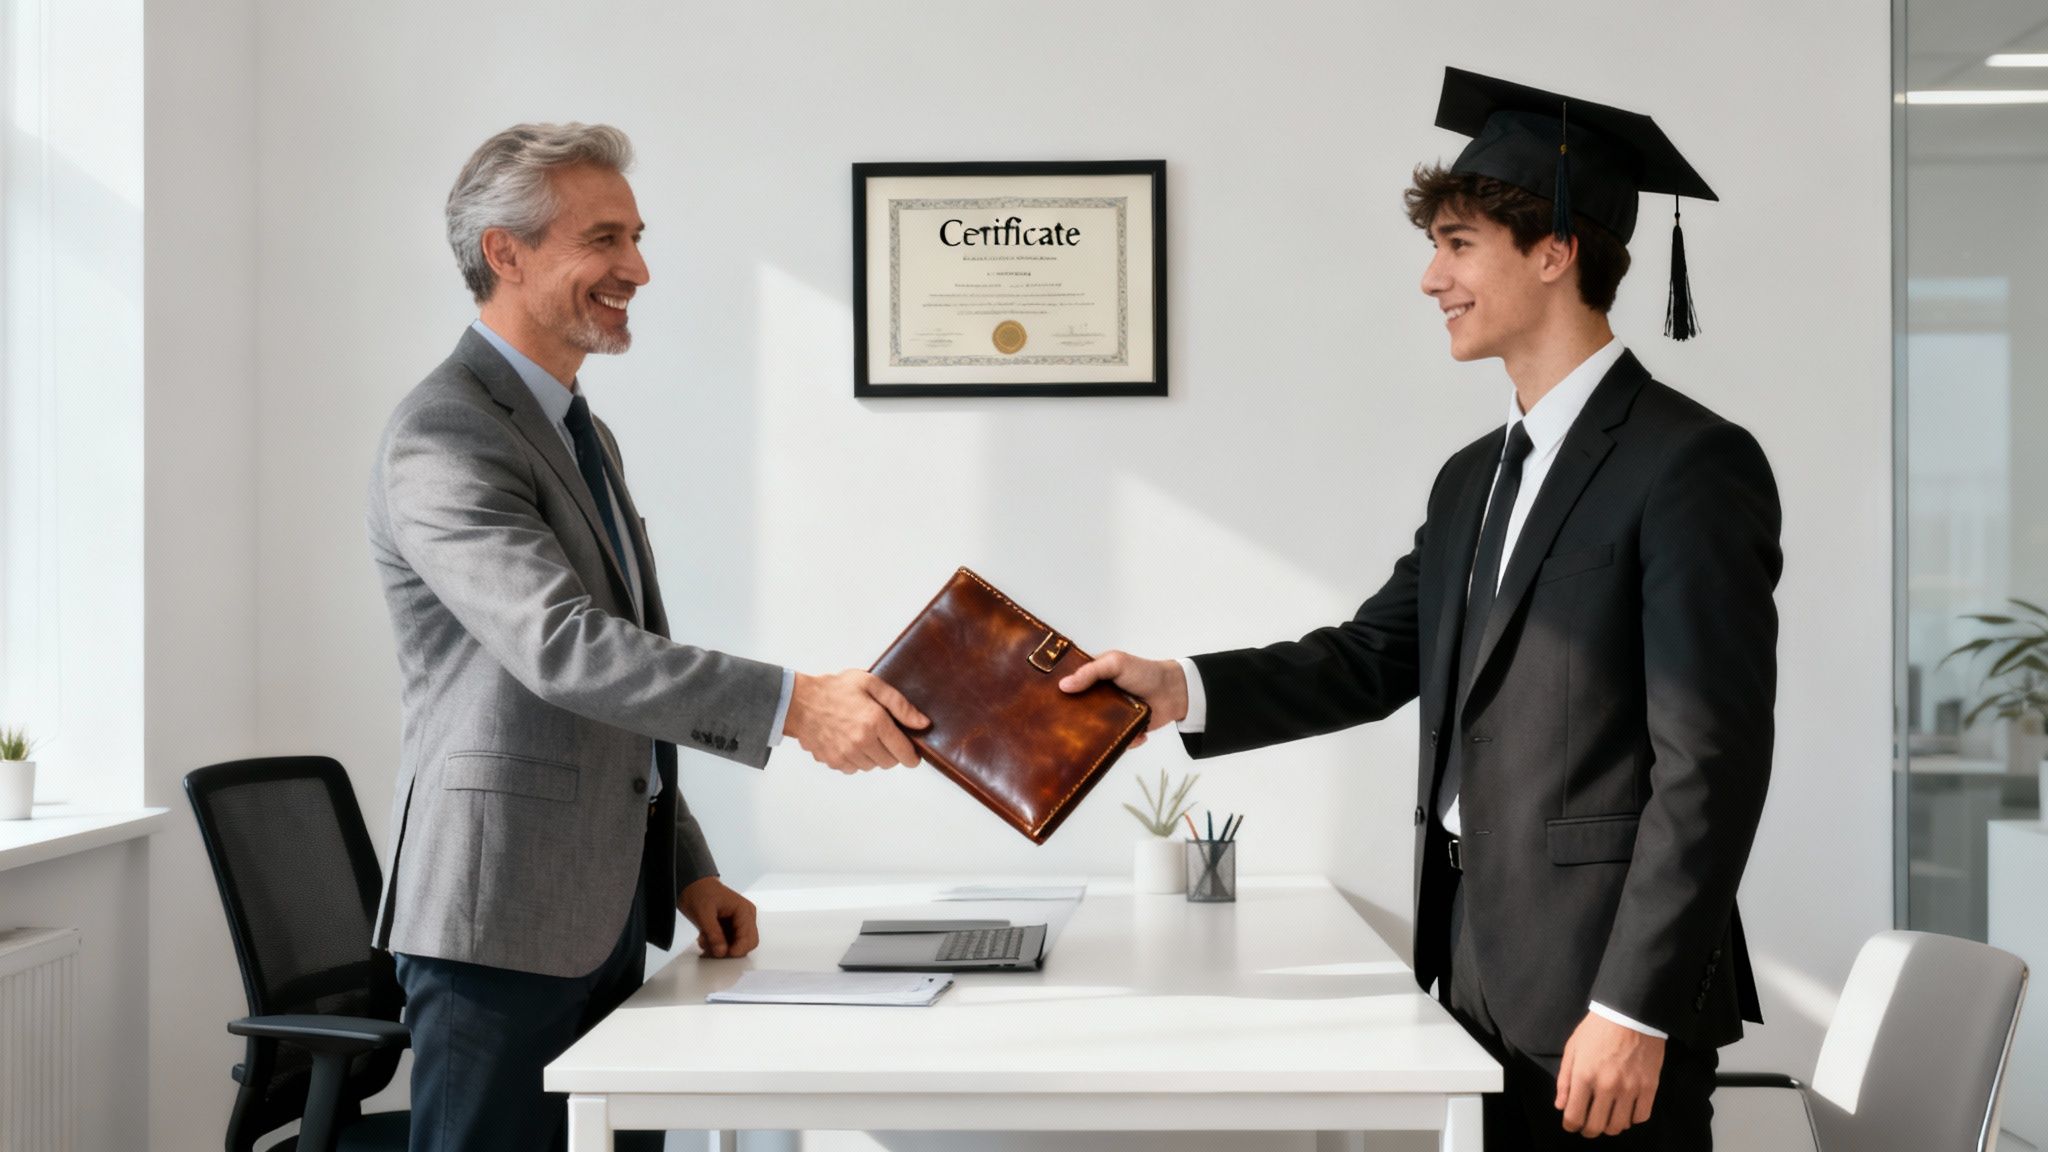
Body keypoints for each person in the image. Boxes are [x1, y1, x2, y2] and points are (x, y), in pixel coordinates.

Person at [1061, 69, 1778, 1149]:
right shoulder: (1470, 477)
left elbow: (1710, 762)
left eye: (1455, 244)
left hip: (1602, 986)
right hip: (1471, 952)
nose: (1427, 277)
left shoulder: (1688, 465)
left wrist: (1631, 1004)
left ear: (1552, 250)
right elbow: (1370, 655)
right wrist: (1176, 687)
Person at [365, 122, 928, 1152]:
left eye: (635, 237)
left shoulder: (579, 431)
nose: (637, 268)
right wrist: (795, 704)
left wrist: (682, 869)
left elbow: (619, 683)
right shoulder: (444, 431)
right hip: (500, 925)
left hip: (602, 909)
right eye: (605, 239)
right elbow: (564, 647)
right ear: (506, 251)